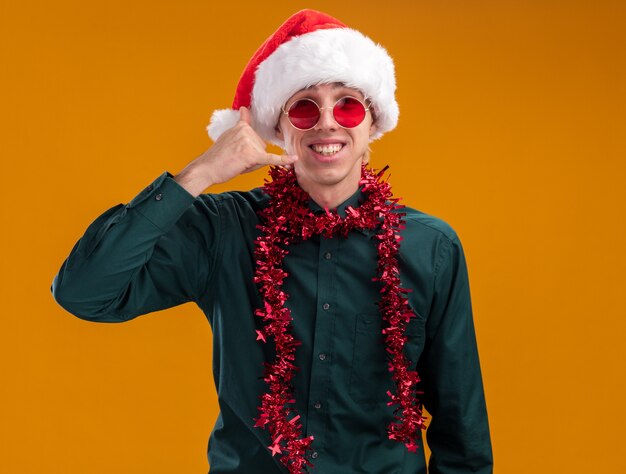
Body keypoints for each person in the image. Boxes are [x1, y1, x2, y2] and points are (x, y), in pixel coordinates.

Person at [51, 9, 493, 474]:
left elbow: (459, 422)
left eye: (347, 105)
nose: (326, 123)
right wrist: (197, 175)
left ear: (372, 123)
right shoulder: (223, 229)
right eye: (304, 106)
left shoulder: (430, 246)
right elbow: (84, 292)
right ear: (280, 128)